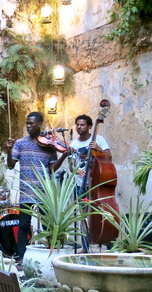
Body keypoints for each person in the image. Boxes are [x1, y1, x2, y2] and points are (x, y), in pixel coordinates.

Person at [6, 111, 58, 263]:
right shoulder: (20, 143)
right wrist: (9, 150)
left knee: (47, 225)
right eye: (27, 123)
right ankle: (22, 258)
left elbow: (53, 169)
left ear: (39, 124)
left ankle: (49, 257)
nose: (28, 126)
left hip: (44, 191)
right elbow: (10, 165)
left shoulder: (49, 145)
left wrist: (64, 155)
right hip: (26, 190)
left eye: (31, 123)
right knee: (23, 224)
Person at [55, 114, 111, 197]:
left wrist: (98, 149)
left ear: (90, 126)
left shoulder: (98, 139)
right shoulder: (74, 144)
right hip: (81, 184)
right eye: (77, 125)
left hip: (98, 181)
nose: (79, 127)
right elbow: (71, 166)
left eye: (82, 125)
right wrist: (77, 171)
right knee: (83, 208)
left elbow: (109, 158)